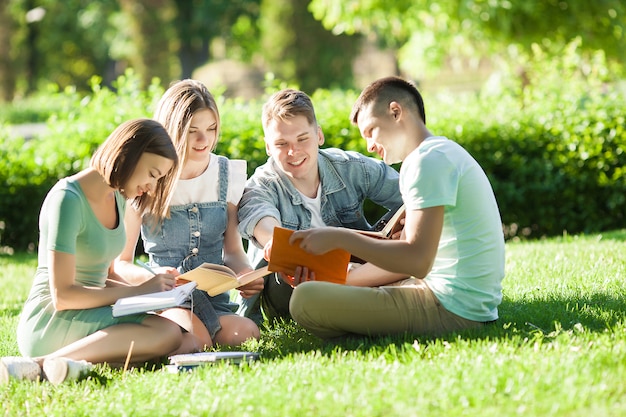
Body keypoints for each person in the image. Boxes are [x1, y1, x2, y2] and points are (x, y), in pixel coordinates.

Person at [287, 76, 506, 339]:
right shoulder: (440, 152)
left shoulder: (426, 162)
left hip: (450, 308)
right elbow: (408, 257)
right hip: (465, 303)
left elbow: (416, 260)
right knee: (347, 278)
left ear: (395, 112)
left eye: (370, 131)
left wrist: (339, 238)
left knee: (305, 299)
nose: (369, 145)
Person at [2, 119, 184, 384]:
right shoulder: (67, 199)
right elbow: (62, 295)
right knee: (168, 336)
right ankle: (38, 365)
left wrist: (152, 298)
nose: (152, 187)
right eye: (153, 174)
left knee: (182, 338)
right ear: (130, 155)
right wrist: (136, 292)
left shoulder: (118, 198)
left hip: (90, 310)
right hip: (51, 319)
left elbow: (105, 275)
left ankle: (70, 364)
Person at [114, 79, 261, 353]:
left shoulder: (227, 174)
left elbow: (232, 251)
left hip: (211, 296)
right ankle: (136, 342)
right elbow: (121, 263)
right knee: (198, 341)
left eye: (211, 129)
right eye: (192, 131)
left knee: (246, 333)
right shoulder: (148, 177)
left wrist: (244, 274)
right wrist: (153, 279)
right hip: (166, 296)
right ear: (171, 129)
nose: (204, 140)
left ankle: (179, 339)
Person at [237, 88, 404, 324]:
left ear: (319, 135)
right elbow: (260, 219)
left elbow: (412, 195)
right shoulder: (260, 185)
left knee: (405, 229)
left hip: (355, 267)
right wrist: (276, 243)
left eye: (302, 139)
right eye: (281, 143)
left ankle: (366, 293)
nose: (293, 152)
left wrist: (406, 225)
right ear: (267, 147)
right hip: (290, 284)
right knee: (286, 269)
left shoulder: (349, 167)